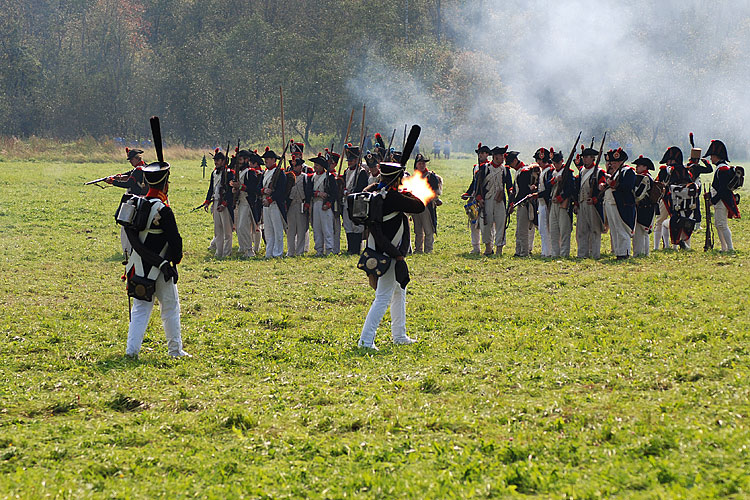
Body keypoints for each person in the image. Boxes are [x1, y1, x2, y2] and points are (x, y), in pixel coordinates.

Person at [124, 161, 189, 358]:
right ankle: (175, 351)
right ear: (165, 184)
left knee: (140, 310)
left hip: (137, 265)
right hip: (161, 269)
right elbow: (175, 242)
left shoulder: (135, 203)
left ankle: (131, 351)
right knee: (170, 308)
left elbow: (132, 238)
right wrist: (170, 262)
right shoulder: (164, 210)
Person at [358, 162, 425, 350]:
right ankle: (365, 340)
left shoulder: (373, 191)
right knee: (383, 297)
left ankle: (399, 334)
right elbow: (419, 206)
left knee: (399, 292)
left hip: (379, 249)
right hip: (390, 253)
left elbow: (369, 188)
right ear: (397, 179)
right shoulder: (393, 197)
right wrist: (407, 192)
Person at [107, 148, 149, 257]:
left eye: (131, 159)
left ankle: (127, 249)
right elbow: (130, 174)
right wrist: (120, 177)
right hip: (143, 200)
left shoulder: (138, 170)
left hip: (133, 201)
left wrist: (113, 182)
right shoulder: (145, 167)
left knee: (125, 225)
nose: (130, 161)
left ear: (136, 158)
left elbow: (129, 183)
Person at [659, 146, 698, 249]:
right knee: (686, 222)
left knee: (662, 223)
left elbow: (660, 184)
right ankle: (686, 245)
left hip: (672, 201)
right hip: (687, 204)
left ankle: (667, 247)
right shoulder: (686, 171)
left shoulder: (668, 171)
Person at [704, 139, 740, 252]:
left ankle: (730, 248)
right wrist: (710, 194)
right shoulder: (721, 168)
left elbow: (723, 189)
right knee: (718, 224)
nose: (710, 158)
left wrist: (713, 200)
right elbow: (719, 186)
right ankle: (724, 248)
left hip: (722, 200)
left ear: (716, 156)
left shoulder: (723, 169)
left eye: (712, 156)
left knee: (722, 224)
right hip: (720, 200)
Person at [477, 145, 512, 256]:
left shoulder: (505, 170)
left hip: (500, 200)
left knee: (501, 224)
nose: (502, 158)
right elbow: (478, 185)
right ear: (495, 157)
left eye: (503, 155)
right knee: (486, 223)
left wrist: (511, 197)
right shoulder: (485, 168)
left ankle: (499, 249)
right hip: (487, 200)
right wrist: (479, 198)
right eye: (501, 156)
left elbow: (509, 186)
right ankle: (488, 248)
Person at [602, 148, 636, 259]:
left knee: (622, 229)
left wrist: (613, 184)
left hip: (622, 204)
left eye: (615, 162)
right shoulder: (617, 172)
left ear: (621, 161)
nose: (613, 164)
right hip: (612, 203)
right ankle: (618, 252)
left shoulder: (628, 171)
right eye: (612, 162)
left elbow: (627, 187)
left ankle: (624, 252)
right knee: (615, 228)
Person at [201, 149, 234, 258]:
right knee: (218, 230)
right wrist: (207, 201)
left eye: (219, 160)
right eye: (215, 160)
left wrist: (224, 204)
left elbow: (230, 191)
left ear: (224, 161)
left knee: (227, 232)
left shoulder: (229, 173)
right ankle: (218, 253)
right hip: (215, 202)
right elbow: (211, 188)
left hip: (224, 204)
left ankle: (226, 253)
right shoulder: (214, 173)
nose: (216, 162)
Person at [575, 148, 606, 258]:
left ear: (593, 158)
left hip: (592, 204)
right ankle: (582, 254)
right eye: (584, 157)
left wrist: (595, 198)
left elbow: (603, 185)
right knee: (582, 230)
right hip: (582, 203)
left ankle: (595, 254)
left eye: (587, 157)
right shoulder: (582, 170)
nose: (585, 159)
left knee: (595, 230)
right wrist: (576, 203)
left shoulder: (598, 171)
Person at [231, 150, 263, 258]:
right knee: (240, 228)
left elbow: (254, 189)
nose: (239, 162)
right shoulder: (239, 173)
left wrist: (240, 186)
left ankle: (249, 250)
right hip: (241, 202)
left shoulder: (250, 172)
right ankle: (244, 248)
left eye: (240, 160)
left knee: (242, 227)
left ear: (246, 160)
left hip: (247, 203)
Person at [462, 143, 492, 254]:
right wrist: (467, 193)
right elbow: (474, 182)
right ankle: (476, 247)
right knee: (473, 223)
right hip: (474, 198)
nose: (480, 155)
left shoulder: (490, 167)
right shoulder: (476, 167)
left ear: (487, 154)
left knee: (487, 223)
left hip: (485, 198)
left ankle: (489, 246)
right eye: (479, 153)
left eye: (482, 153)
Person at [411, 153, 443, 253]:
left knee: (428, 229)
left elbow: (435, 191)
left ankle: (428, 249)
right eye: (420, 163)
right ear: (416, 165)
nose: (422, 165)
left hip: (427, 205)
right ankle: (418, 249)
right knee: (418, 230)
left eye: (423, 163)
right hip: (415, 205)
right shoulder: (414, 177)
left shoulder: (431, 176)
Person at [342, 144, 370, 254]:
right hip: (347, 201)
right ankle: (350, 248)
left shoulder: (361, 172)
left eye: (352, 160)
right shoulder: (346, 171)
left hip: (357, 202)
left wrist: (352, 193)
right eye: (349, 160)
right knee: (348, 225)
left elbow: (362, 188)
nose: (350, 162)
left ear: (357, 160)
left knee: (357, 226)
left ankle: (356, 249)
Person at [508, 151, 536, 257]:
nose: (510, 166)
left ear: (515, 161)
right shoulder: (520, 171)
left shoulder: (524, 171)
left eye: (511, 163)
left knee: (523, 230)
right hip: (520, 203)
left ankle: (524, 252)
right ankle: (518, 251)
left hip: (524, 203)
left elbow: (523, 191)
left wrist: (513, 204)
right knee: (519, 230)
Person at [260, 147, 287, 258]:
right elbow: (259, 186)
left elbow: (281, 190)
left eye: (268, 158)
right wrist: (263, 191)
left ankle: (278, 253)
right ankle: (269, 252)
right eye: (265, 158)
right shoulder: (265, 172)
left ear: (273, 160)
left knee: (277, 230)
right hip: (266, 203)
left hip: (275, 204)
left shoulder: (280, 173)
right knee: (268, 230)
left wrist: (271, 198)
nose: (266, 160)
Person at [548, 149, 575, 257]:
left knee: (564, 230)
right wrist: (555, 180)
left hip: (563, 204)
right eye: (554, 163)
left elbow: (571, 188)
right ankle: (555, 253)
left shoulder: (568, 172)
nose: (555, 165)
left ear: (562, 161)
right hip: (553, 204)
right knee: (553, 230)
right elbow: (547, 186)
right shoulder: (553, 172)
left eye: (557, 163)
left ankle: (564, 254)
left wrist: (561, 197)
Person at [286, 156, 312, 257]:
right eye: (294, 165)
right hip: (291, 205)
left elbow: (308, 192)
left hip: (301, 204)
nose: (295, 167)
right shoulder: (289, 177)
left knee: (302, 230)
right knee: (291, 231)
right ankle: (290, 251)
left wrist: (307, 203)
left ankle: (300, 251)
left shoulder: (305, 177)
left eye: (297, 165)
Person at [632, 156, 657, 256]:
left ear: (644, 167)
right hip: (647, 207)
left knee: (639, 232)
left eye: (639, 165)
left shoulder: (644, 178)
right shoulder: (647, 177)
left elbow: (638, 195)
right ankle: (644, 253)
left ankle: (639, 253)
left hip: (644, 208)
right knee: (643, 232)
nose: (636, 167)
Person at [533, 148, 554, 257]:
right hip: (541, 203)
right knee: (542, 228)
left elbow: (548, 189)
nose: (538, 162)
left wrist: (538, 194)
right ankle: (545, 251)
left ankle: (548, 252)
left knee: (546, 228)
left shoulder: (549, 171)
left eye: (539, 160)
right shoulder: (543, 171)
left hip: (546, 203)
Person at [325, 149, 344, 254]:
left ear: (335, 164)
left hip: (336, 204)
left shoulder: (337, 176)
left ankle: (336, 249)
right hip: (326, 204)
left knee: (336, 228)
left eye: (331, 163)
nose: (329, 165)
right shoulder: (324, 175)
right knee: (326, 228)